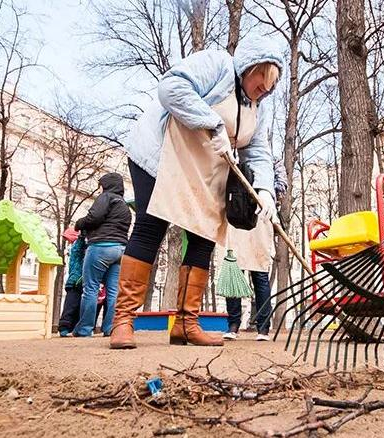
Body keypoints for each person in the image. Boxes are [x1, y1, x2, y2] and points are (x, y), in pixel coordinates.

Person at [109, 38, 284, 349]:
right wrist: (213, 123)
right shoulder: (216, 65)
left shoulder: (258, 107)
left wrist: (267, 191)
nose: (266, 90)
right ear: (249, 68)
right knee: (152, 227)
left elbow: (257, 150)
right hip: (161, 156)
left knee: (204, 236)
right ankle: (123, 320)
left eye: (272, 86)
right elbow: (171, 88)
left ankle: (186, 324)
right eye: (263, 80)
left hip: (203, 170)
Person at [223, 160, 286, 342]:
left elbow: (281, 185)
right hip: (235, 216)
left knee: (259, 272)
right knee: (233, 271)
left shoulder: (271, 161)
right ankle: (233, 325)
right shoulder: (233, 158)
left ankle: (263, 327)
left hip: (260, 217)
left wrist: (268, 197)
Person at [72, 172, 131, 337]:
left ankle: (84, 329)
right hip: (120, 250)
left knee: (90, 288)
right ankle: (109, 328)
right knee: (113, 291)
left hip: (101, 247)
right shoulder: (124, 206)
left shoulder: (106, 197)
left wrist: (79, 224)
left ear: (107, 185)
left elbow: (94, 217)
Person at [58, 228, 86, 336]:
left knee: (72, 305)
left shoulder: (77, 245)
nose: (68, 241)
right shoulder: (76, 247)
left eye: (69, 238)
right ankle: (66, 327)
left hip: (75, 279)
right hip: (75, 280)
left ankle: (67, 327)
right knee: (72, 305)